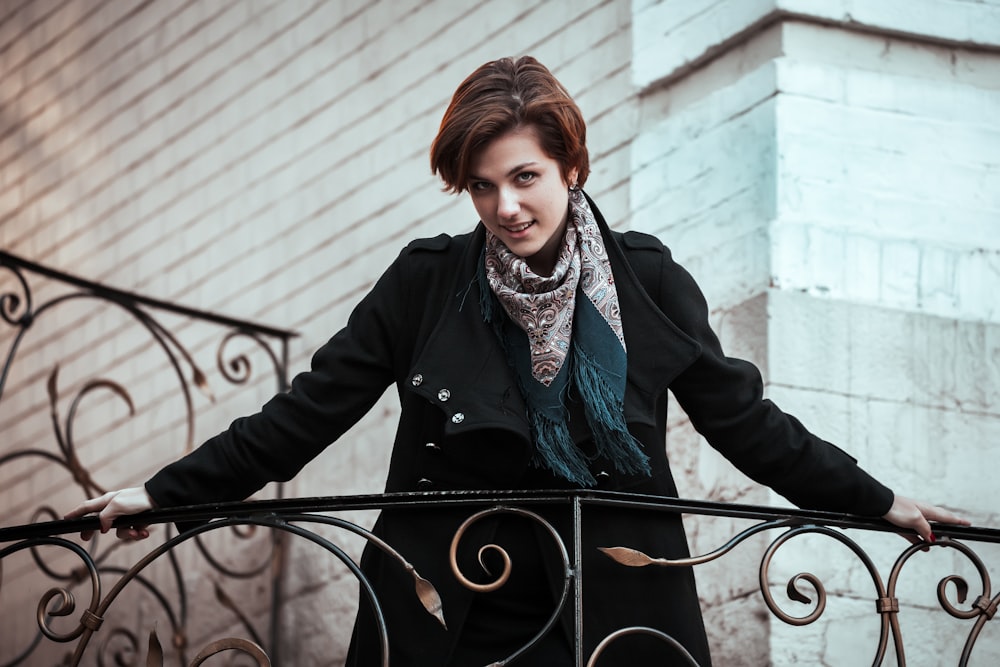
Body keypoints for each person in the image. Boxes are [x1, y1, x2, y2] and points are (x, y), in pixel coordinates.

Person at [66, 56, 967, 666]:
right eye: (483, 185)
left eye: (525, 176)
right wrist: (167, 490)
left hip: (612, 605)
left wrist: (876, 501)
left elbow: (745, 422)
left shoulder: (646, 280)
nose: (504, 206)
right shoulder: (426, 281)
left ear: (569, 165)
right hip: (446, 602)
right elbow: (308, 411)